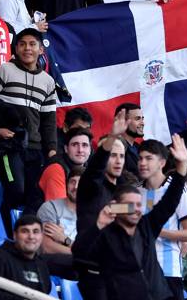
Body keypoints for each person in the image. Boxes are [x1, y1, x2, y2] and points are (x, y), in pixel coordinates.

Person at [76, 131, 187, 299]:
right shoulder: (107, 235)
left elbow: (169, 203)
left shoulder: (146, 226)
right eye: (130, 205)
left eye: (139, 205)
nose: (137, 209)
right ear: (118, 207)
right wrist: (98, 225)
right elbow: (79, 251)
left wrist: (182, 168)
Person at [0, 28, 57, 214]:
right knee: (15, 191)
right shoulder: (4, 70)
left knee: (34, 197)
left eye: (32, 44)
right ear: (16, 48)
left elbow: (49, 121)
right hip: (9, 146)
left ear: (41, 49)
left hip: (35, 149)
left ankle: (25, 236)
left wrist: (51, 150)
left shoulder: (48, 81)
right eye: (22, 44)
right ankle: (4, 231)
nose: (27, 48)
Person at [71, 113, 129, 298]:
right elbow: (95, 169)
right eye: (113, 155)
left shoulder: (124, 190)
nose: (118, 160)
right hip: (92, 271)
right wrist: (112, 137)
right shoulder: (90, 185)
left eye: (122, 156)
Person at [138, 139, 187, 300]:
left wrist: (157, 231)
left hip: (168, 271)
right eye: (140, 158)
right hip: (140, 272)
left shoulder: (179, 189)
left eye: (149, 158)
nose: (143, 163)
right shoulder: (136, 193)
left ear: (162, 162)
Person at [0, 215, 51, 299]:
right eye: (25, 231)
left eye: (35, 232)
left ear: (41, 236)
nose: (31, 237)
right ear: (15, 235)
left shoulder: (41, 264)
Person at [39, 127, 91, 202]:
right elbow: (59, 210)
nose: (80, 150)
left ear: (90, 150)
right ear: (66, 149)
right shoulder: (55, 169)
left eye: (85, 145)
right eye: (75, 145)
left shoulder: (89, 169)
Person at [37, 167, 81, 255]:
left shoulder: (91, 213)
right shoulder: (50, 208)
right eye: (72, 182)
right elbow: (46, 247)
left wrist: (64, 239)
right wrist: (80, 254)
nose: (76, 187)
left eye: (81, 183)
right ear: (66, 184)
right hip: (52, 262)